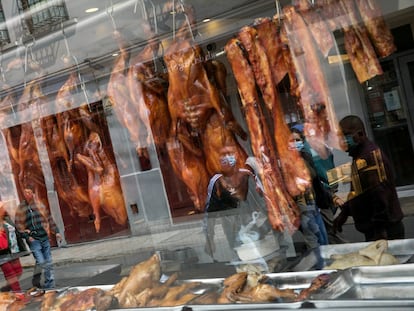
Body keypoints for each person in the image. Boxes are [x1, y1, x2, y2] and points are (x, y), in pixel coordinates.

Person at [334, 115, 405, 241]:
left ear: (360, 134)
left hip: (385, 232)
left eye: (346, 135)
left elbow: (380, 196)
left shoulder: (370, 157)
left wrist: (379, 231)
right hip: (376, 231)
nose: (343, 140)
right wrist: (344, 214)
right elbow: (359, 193)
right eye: (341, 136)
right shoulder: (360, 157)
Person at [290, 128, 328, 270]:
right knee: (313, 242)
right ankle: (321, 271)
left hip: (314, 204)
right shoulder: (287, 163)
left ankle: (325, 267)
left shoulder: (306, 156)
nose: (295, 143)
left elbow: (315, 180)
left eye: (297, 140)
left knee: (323, 239)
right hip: (302, 207)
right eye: (291, 141)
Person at [15, 188, 62, 289]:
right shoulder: (21, 208)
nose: (27, 194)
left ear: (33, 193)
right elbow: (18, 226)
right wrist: (27, 236)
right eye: (25, 192)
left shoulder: (39, 205)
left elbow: (49, 219)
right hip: (34, 239)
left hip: (44, 237)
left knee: (48, 261)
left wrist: (57, 232)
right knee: (41, 262)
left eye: (29, 192)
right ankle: (38, 280)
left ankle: (49, 284)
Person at [0, 202, 25, 292]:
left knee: (19, 271)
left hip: (14, 250)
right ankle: (19, 295)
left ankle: (6, 289)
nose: (3, 209)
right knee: (11, 275)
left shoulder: (7, 219)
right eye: (1, 208)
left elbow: (15, 231)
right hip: (2, 254)